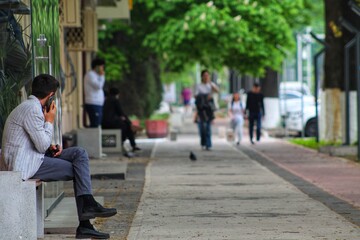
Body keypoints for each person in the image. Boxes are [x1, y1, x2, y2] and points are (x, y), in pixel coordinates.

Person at [0, 74, 117, 239]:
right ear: (51, 95)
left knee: (79, 153)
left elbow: (37, 143)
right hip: (24, 165)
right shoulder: (32, 110)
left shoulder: (28, 106)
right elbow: (40, 144)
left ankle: (87, 210)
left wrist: (51, 149)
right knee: (77, 169)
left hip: (32, 157)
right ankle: (85, 222)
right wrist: (49, 121)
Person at [102, 87, 141, 157]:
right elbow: (121, 112)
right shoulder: (114, 100)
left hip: (103, 123)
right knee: (126, 126)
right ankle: (129, 144)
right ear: (117, 94)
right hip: (110, 123)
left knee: (125, 125)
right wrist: (129, 122)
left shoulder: (106, 100)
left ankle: (132, 144)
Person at [194, 70, 219, 150]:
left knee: (208, 126)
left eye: (207, 75)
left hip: (209, 108)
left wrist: (211, 85)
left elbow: (217, 91)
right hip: (201, 108)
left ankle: (208, 144)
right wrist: (203, 96)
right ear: (202, 76)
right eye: (204, 75)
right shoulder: (198, 86)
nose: (206, 77)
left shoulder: (211, 85)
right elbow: (195, 96)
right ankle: (203, 142)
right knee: (202, 127)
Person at [84, 58, 105, 128]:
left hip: (98, 103)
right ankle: (92, 138)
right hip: (93, 102)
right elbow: (99, 86)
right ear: (97, 66)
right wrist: (102, 76)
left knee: (98, 123)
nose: (102, 68)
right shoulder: (90, 75)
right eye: (101, 66)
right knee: (95, 124)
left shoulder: (97, 75)